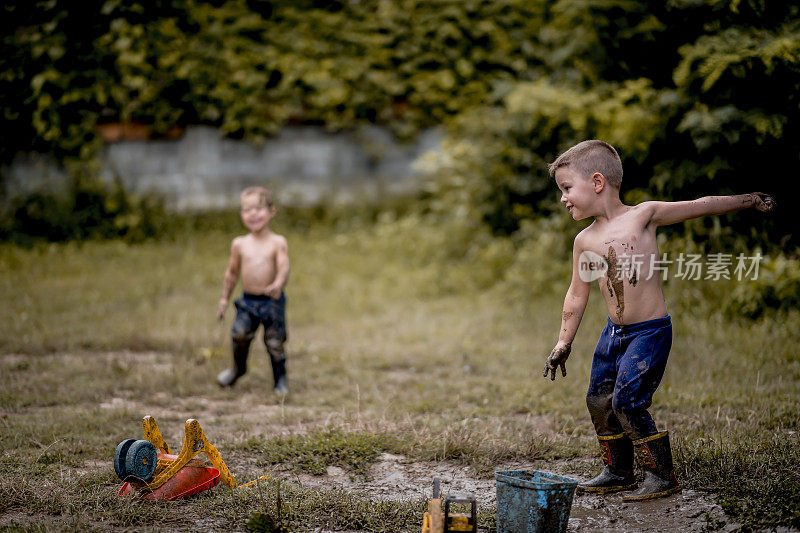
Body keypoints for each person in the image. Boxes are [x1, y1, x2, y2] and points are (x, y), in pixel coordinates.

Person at [542, 140, 774, 502]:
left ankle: (661, 475)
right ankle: (618, 472)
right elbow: (576, 294)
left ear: (598, 182)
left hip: (649, 332)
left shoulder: (644, 215)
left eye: (567, 188)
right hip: (612, 334)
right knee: (599, 400)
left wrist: (747, 199)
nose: (563, 198)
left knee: (627, 401)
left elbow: (699, 206)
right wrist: (562, 342)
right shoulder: (584, 240)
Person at [216, 186, 291, 394]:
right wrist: (224, 299)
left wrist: (278, 282)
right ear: (241, 214)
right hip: (248, 301)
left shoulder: (278, 242)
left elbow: (284, 265)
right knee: (239, 334)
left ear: (271, 211)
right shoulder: (239, 244)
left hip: (272, 301)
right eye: (247, 210)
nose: (253, 214)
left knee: (275, 341)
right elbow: (231, 273)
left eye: (258, 209)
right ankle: (238, 369)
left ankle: (280, 380)